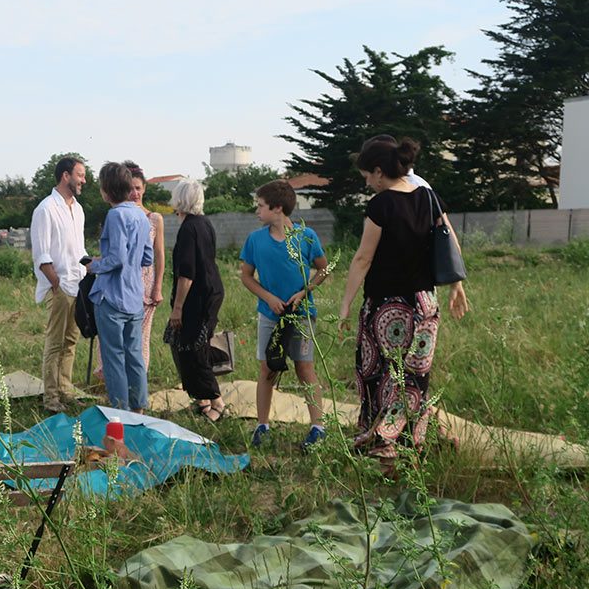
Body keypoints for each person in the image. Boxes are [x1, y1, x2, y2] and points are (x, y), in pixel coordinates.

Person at [339, 137, 468, 458]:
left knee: (381, 372)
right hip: (425, 304)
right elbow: (449, 241)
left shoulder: (380, 205)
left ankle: (382, 440)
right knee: (414, 375)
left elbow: (362, 259)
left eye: (367, 175)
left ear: (379, 172)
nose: (366, 181)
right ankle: (411, 439)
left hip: (387, 305)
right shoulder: (428, 197)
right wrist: (457, 286)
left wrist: (344, 305)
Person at [239, 179, 330, 451]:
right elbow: (246, 276)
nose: (257, 211)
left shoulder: (306, 236)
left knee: (305, 368)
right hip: (269, 315)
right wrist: (267, 297)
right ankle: (262, 425)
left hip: (301, 316)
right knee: (268, 368)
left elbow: (323, 269)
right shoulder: (255, 240)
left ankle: (317, 427)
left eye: (261, 206)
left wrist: (304, 292)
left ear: (277, 208)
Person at [366, 133, 472, 320]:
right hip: (423, 295)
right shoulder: (423, 188)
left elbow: (446, 234)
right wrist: (456, 281)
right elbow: (448, 235)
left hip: (394, 293)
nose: (368, 182)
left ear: (379, 169)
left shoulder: (412, 190)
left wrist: (456, 283)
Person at [89, 162, 153, 412]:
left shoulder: (115, 215)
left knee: (114, 357)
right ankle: (139, 407)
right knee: (134, 355)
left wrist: (92, 266)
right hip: (134, 297)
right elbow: (147, 258)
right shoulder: (140, 214)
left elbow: (116, 259)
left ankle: (119, 409)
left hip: (112, 297)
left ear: (106, 191)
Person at [30, 156, 88, 413]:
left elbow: (79, 249)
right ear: (66, 176)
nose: (83, 180)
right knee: (55, 343)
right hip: (60, 286)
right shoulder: (46, 209)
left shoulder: (78, 209)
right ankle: (51, 398)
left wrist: (89, 269)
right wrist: (56, 283)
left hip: (78, 285)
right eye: (80, 175)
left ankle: (65, 390)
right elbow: (42, 254)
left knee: (70, 341)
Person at [164, 180, 226, 420]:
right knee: (186, 345)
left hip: (197, 297)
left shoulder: (190, 228)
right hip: (210, 291)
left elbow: (186, 273)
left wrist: (177, 308)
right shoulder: (204, 223)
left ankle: (216, 402)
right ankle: (202, 400)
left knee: (194, 349)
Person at [124, 161, 165, 367]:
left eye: (138, 188)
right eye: (130, 189)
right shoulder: (119, 216)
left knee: (141, 337)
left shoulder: (154, 218)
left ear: (144, 189)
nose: (134, 193)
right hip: (123, 285)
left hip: (146, 285)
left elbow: (160, 255)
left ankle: (139, 382)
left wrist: (157, 287)